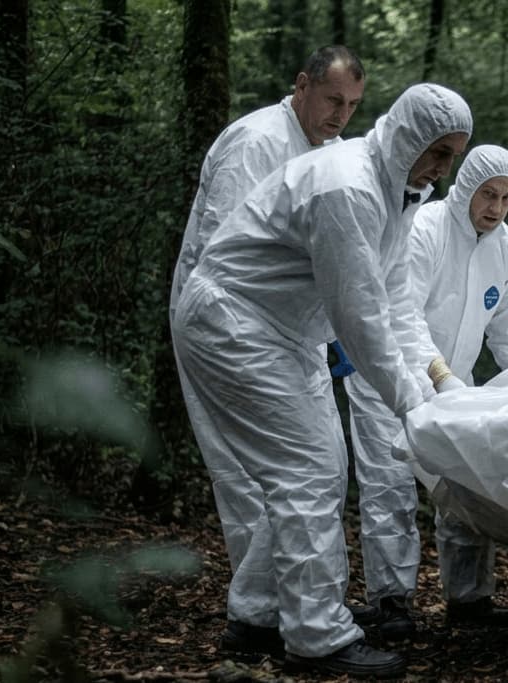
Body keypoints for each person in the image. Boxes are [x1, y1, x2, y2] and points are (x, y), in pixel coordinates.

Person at [172, 83, 473, 678]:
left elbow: (393, 300)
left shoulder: (394, 193)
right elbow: (358, 316)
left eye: (451, 157)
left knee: (319, 467)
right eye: (437, 152)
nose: (442, 169)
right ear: (409, 137)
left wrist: (440, 384)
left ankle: (259, 613)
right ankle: (315, 635)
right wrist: (411, 405)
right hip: (235, 320)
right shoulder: (350, 187)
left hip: (277, 329)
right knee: (307, 468)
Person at [166, 45, 365, 657]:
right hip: (232, 322)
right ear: (301, 85)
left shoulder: (329, 153)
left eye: (353, 106)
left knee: (315, 466)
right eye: (333, 100)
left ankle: (274, 608)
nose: (341, 116)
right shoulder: (255, 141)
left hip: (291, 328)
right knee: (272, 473)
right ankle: (277, 616)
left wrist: (333, 332)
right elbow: (228, 251)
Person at [348, 144, 508, 637]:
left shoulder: (506, 247)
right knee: (388, 488)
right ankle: (391, 604)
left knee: (465, 488)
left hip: (455, 381)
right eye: (487, 194)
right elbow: (401, 312)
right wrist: (438, 376)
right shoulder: (426, 229)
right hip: (387, 378)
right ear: (466, 190)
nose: (495, 208)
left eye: (506, 198)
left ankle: (469, 598)